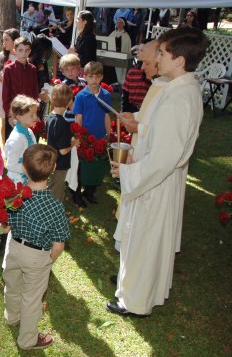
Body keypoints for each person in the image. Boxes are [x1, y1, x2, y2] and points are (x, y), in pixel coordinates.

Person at [107, 28, 209, 317]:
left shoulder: (180, 98)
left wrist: (128, 173)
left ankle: (135, 302)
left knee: (146, 241)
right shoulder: (175, 87)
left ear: (179, 60)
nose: (155, 58)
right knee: (142, 240)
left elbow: (165, 157)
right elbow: (158, 131)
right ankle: (132, 292)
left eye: (162, 53)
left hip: (155, 182)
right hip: (153, 177)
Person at [3, 144, 70, 350]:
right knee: (31, 299)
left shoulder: (15, 196)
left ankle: (12, 317)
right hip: (37, 255)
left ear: (24, 168)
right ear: (53, 169)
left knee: (12, 285)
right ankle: (27, 340)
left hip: (13, 247)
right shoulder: (55, 206)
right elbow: (59, 244)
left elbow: (5, 226)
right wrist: (50, 259)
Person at [72, 61, 111, 205]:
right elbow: (79, 117)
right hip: (86, 137)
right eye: (90, 76)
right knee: (81, 167)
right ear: (85, 77)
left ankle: (89, 192)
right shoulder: (81, 96)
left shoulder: (105, 94)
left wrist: (109, 134)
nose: (94, 79)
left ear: (101, 77)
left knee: (96, 165)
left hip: (99, 137)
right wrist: (79, 136)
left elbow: (107, 115)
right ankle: (77, 194)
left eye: (97, 76)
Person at [2, 37, 47, 141]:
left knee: (29, 142)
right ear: (15, 51)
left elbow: (35, 92)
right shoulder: (9, 69)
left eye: (26, 50)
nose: (24, 53)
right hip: (15, 112)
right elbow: (5, 94)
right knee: (15, 142)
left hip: (29, 112)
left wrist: (36, 114)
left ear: (30, 51)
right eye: (20, 50)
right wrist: (10, 115)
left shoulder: (32, 69)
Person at [46, 84, 78, 202]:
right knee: (57, 192)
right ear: (69, 101)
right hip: (60, 164)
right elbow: (63, 151)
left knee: (53, 186)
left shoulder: (50, 117)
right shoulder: (63, 123)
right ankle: (55, 214)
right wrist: (73, 143)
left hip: (52, 161)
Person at [5, 95, 38, 184]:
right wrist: (30, 169)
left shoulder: (29, 131)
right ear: (19, 117)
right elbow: (11, 165)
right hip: (17, 182)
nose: (35, 117)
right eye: (31, 115)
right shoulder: (16, 139)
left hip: (27, 177)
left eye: (35, 113)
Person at [0, 28, 19, 141]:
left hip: (18, 91)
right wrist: (9, 80)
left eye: (7, 40)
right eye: (3, 40)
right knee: (5, 119)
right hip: (4, 90)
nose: (4, 43)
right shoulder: (2, 56)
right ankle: (5, 146)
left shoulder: (20, 55)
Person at [109, 17, 132, 84]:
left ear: (124, 24)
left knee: (120, 71)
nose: (118, 24)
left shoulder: (126, 36)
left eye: (120, 23)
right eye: (118, 22)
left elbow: (127, 48)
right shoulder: (113, 33)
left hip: (120, 58)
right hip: (111, 57)